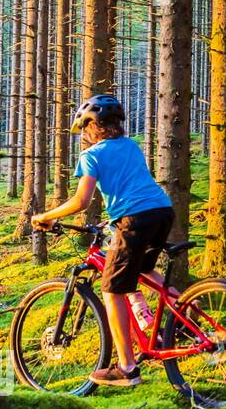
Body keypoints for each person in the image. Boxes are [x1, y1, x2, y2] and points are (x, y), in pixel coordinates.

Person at [32, 94, 175, 387]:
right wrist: (112, 219)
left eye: (85, 129)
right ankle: (187, 318)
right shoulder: (131, 146)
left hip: (134, 219)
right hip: (162, 211)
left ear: (91, 127)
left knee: (112, 291)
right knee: (145, 271)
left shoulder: (91, 155)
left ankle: (127, 368)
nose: (84, 135)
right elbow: (131, 187)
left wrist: (46, 216)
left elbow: (81, 201)